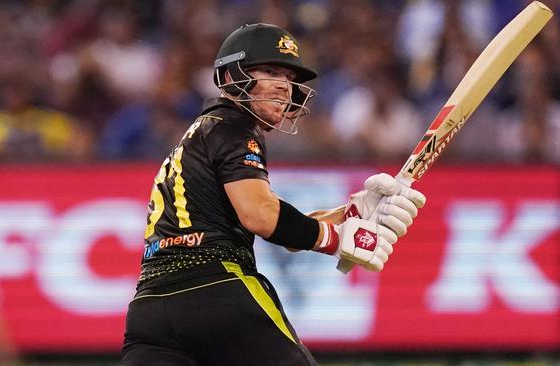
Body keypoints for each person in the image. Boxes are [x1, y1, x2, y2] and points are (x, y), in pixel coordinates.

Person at [121, 23, 426, 366]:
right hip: (215, 290)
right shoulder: (236, 129)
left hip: (149, 310)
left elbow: (282, 230)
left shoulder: (205, 131)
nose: (284, 85)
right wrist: (334, 238)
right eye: (270, 71)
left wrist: (349, 213)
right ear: (231, 75)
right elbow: (262, 217)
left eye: (288, 77)